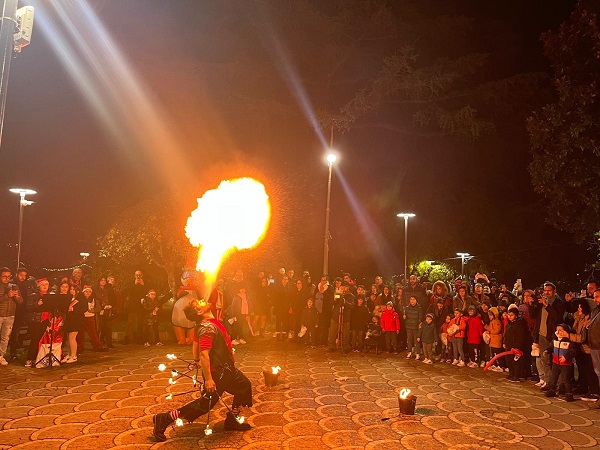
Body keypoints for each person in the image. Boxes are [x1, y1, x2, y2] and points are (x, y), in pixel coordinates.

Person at [152, 298, 252, 441]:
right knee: (204, 405)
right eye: (198, 303)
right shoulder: (206, 328)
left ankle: (232, 419)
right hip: (218, 373)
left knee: (244, 385)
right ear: (199, 311)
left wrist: (197, 360)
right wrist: (209, 379)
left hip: (228, 369)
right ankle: (165, 418)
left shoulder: (207, 323)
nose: (202, 300)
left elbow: (195, 344)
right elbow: (204, 353)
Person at [544, 324, 576, 401]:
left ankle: (569, 394)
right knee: (553, 377)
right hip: (555, 362)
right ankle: (552, 390)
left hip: (565, 364)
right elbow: (551, 346)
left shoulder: (569, 341)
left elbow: (573, 351)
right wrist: (547, 350)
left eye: (561, 330)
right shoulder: (555, 340)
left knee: (566, 379)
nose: (559, 332)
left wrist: (566, 357)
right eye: (557, 330)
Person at [0, 267, 23, 365]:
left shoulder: (14, 286)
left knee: (5, 338)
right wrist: (7, 296)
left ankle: (1, 356)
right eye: (4, 276)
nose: (7, 279)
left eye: (9, 276)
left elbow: (21, 301)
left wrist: (17, 297)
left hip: (10, 316)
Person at [503, 305, 529, 382]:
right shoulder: (508, 324)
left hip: (515, 347)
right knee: (508, 360)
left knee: (515, 362)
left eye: (512, 315)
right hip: (508, 345)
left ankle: (516, 375)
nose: (510, 317)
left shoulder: (519, 325)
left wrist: (518, 346)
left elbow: (520, 336)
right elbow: (506, 334)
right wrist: (504, 342)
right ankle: (511, 373)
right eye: (509, 315)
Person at [62, 284, 85, 363]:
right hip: (70, 320)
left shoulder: (81, 298)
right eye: (70, 289)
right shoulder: (70, 298)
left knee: (72, 337)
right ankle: (69, 354)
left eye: (73, 289)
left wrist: (74, 310)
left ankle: (74, 356)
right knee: (69, 338)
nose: (71, 291)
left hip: (77, 320)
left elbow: (84, 309)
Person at [485, 307, 504, 372]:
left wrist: (490, 331)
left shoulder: (497, 322)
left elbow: (497, 330)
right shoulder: (492, 321)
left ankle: (500, 365)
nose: (489, 317)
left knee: (497, 354)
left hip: (496, 340)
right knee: (493, 353)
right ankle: (495, 364)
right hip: (493, 341)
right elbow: (490, 329)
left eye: (490, 315)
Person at [403, 295, 422, 360]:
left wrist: (419, 324)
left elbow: (420, 317)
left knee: (416, 341)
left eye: (413, 299)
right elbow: (406, 317)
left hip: (416, 327)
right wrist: (405, 317)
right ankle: (409, 352)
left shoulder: (419, 308)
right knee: (409, 340)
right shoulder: (407, 308)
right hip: (409, 326)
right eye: (411, 299)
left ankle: (417, 353)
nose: (412, 301)